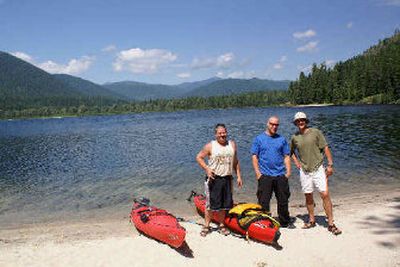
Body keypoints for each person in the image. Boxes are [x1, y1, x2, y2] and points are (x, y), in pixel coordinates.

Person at [290, 111, 342, 235]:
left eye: (302, 120)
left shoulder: (316, 132)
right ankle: (312, 220)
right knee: (308, 195)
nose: (300, 122)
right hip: (304, 171)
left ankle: (330, 223)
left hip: (318, 168)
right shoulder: (294, 137)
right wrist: (297, 163)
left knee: (325, 194)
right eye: (298, 121)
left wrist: (330, 165)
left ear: (306, 121)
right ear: (296, 123)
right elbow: (290, 152)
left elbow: (325, 148)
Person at [196, 123, 243, 237]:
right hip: (214, 179)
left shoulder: (232, 144)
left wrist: (239, 175)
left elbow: (235, 161)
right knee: (210, 205)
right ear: (216, 134)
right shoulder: (210, 146)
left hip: (227, 178)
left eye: (224, 132)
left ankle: (222, 225)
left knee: (224, 204)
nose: (223, 135)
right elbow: (199, 157)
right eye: (220, 133)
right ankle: (206, 225)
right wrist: (207, 169)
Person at [251, 116, 292, 227]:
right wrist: (258, 173)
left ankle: (284, 221)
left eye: (276, 125)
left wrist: (288, 172)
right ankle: (264, 222)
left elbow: (286, 156)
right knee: (263, 201)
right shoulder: (259, 139)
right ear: (267, 124)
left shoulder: (282, 139)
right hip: (265, 175)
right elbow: (254, 156)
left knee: (283, 200)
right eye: (272, 124)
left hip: (280, 175)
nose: (274, 126)